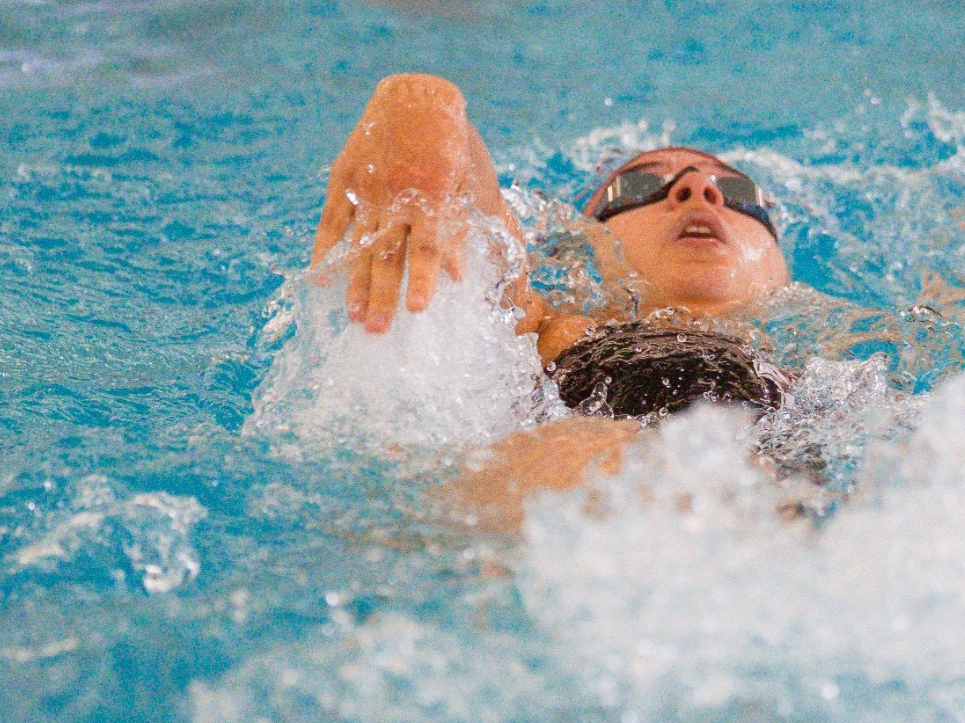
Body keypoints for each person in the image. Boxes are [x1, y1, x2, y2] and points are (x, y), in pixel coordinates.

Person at [311, 72, 804, 527]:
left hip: (781, 511)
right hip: (583, 502)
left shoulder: (851, 350)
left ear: (780, 262)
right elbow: (479, 214)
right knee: (582, 450)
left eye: (736, 189)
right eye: (638, 185)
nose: (698, 189)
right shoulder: (552, 328)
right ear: (586, 246)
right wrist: (421, 106)